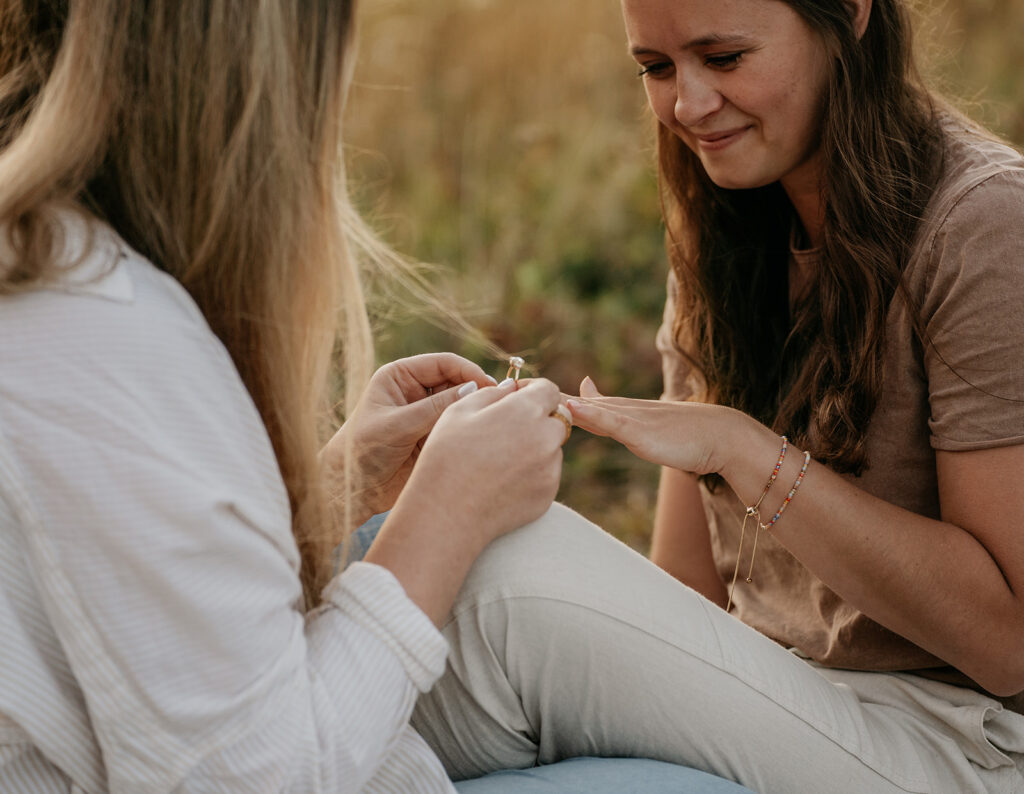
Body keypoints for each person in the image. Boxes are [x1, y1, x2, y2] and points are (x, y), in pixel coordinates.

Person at [0, 4, 1020, 794]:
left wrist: (744, 453)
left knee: (505, 571)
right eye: (655, 68)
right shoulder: (729, 229)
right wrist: (363, 480)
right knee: (399, 576)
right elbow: (687, 606)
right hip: (793, 702)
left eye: (723, 56)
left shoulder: (981, 225)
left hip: (953, 743)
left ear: (848, 13)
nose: (688, 105)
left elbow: (1007, 638)